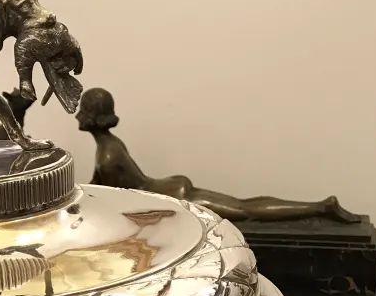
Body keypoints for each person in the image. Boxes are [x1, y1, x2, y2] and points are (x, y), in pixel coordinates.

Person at [77, 88, 360, 224]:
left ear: (91, 115)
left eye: (81, 109)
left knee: (246, 212)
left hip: (176, 199)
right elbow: (96, 189)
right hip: (170, 190)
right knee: (245, 205)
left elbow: (114, 200)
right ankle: (320, 207)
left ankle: (321, 207)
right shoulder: (109, 146)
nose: (77, 114)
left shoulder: (108, 154)